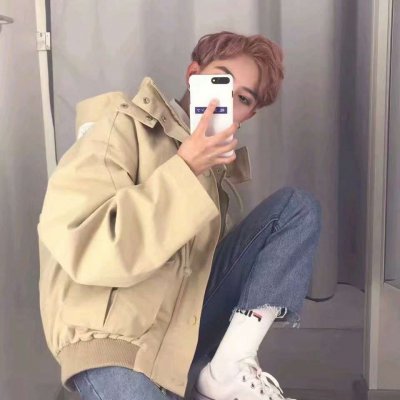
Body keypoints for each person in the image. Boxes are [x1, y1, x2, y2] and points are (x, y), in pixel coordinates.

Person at [37, 31, 322, 400]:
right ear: (193, 75)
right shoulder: (120, 128)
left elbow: (196, 285)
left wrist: (198, 168)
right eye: (220, 82)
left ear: (249, 114)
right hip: (115, 342)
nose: (226, 100)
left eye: (242, 98)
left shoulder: (218, 179)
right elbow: (93, 251)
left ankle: (230, 366)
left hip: (178, 344)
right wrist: (185, 167)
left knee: (294, 210)